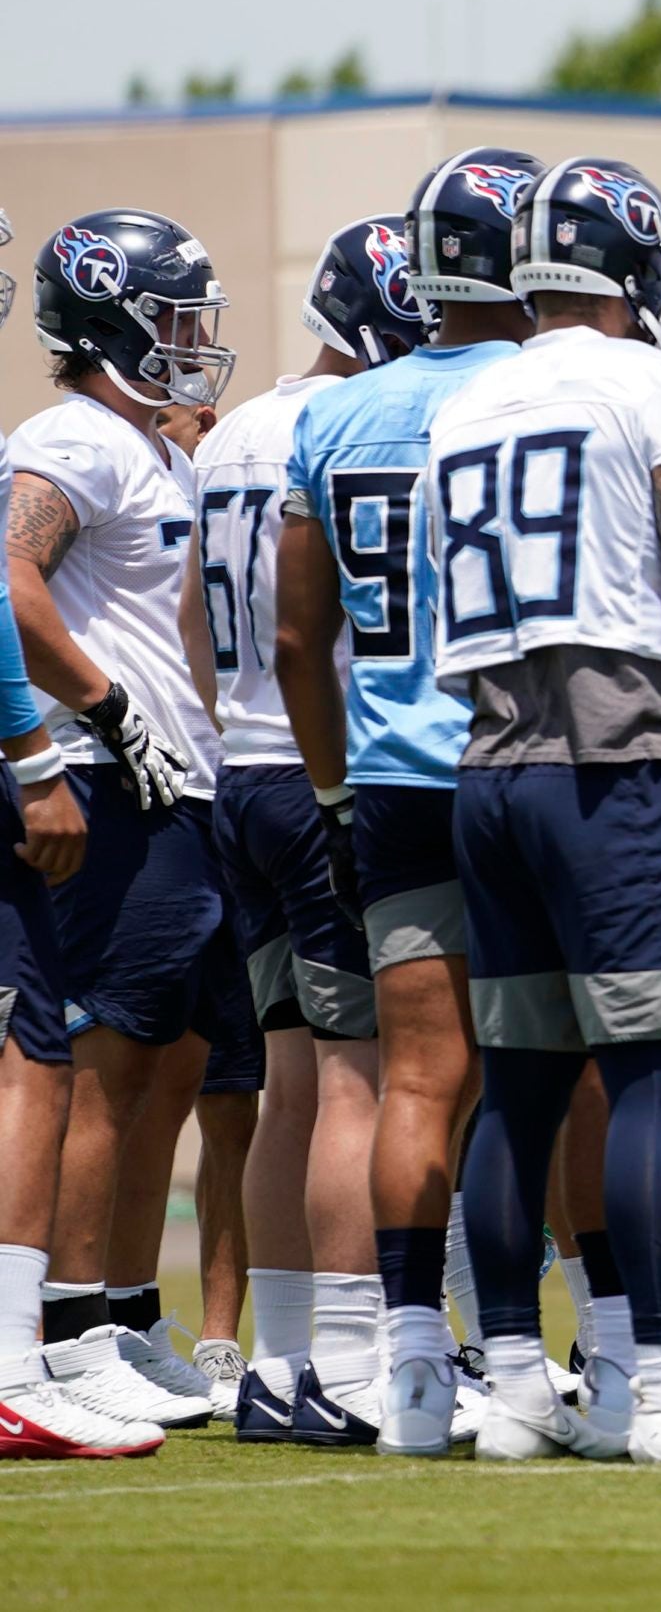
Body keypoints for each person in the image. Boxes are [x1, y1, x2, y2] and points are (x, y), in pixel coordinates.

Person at [430, 156, 661, 1463]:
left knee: (520, 1089)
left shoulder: (470, 400)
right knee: (654, 1067)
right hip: (617, 746)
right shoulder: (655, 382)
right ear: (635, 266)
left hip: (490, 756)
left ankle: (522, 1384)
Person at [274, 146, 543, 1454]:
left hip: (383, 775)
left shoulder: (334, 413)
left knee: (414, 1081)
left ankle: (410, 1367)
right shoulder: (547, 387)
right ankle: (526, 1352)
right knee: (539, 1072)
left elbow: (291, 637)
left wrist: (330, 786)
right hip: (518, 760)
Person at [10, 209, 244, 1437]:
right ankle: (62, 1328)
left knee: (161, 1058)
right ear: (109, 322)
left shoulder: (145, 443)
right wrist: (98, 708)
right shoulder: (70, 438)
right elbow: (10, 576)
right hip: (105, 780)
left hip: (174, 783)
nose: (195, 342)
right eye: (173, 319)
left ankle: (113, 1306)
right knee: (98, 1069)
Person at [193, 215, 425, 1442]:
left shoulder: (232, 432)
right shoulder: (352, 427)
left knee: (290, 1077)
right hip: (320, 762)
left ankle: (279, 1358)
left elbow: (195, 616)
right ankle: (346, 1353)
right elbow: (320, 634)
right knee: (359, 1075)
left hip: (237, 768)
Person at [0, 207, 156, 1460]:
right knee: (35, 1060)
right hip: (46, 766)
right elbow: (4, 590)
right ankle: (18, 1354)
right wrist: (45, 747)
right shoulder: (61, 442)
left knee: (45, 1054)